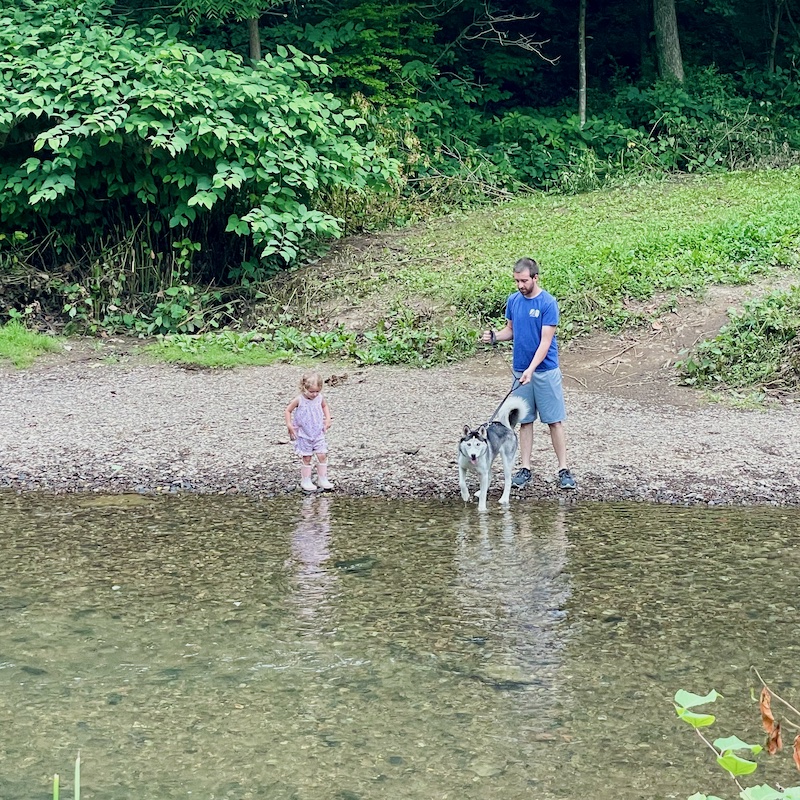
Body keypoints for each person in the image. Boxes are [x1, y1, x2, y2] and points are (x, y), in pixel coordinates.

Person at [481, 257, 577, 490]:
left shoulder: (547, 303)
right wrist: (494, 335)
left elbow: (545, 343)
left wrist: (531, 369)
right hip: (520, 371)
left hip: (544, 371)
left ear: (535, 278)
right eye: (516, 281)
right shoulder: (514, 300)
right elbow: (510, 330)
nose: (520, 285)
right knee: (524, 421)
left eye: (524, 281)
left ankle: (563, 469)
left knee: (554, 421)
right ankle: (524, 468)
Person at [284, 370, 334, 492]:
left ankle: (323, 478)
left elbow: (324, 406)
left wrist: (327, 419)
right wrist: (289, 424)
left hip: (318, 432)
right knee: (307, 457)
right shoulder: (299, 400)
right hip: (304, 433)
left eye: (317, 391)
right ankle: (306, 479)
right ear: (303, 388)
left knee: (322, 454)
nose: (314, 394)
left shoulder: (319, 398)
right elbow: (288, 410)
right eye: (311, 391)